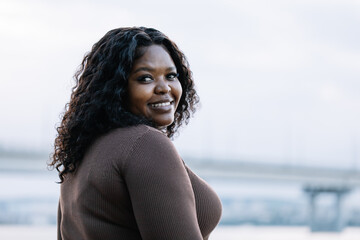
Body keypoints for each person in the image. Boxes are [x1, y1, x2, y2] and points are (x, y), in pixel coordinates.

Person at [49, 27, 222, 240]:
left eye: (171, 75)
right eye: (145, 78)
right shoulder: (146, 144)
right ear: (116, 86)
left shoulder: (79, 154)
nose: (164, 88)